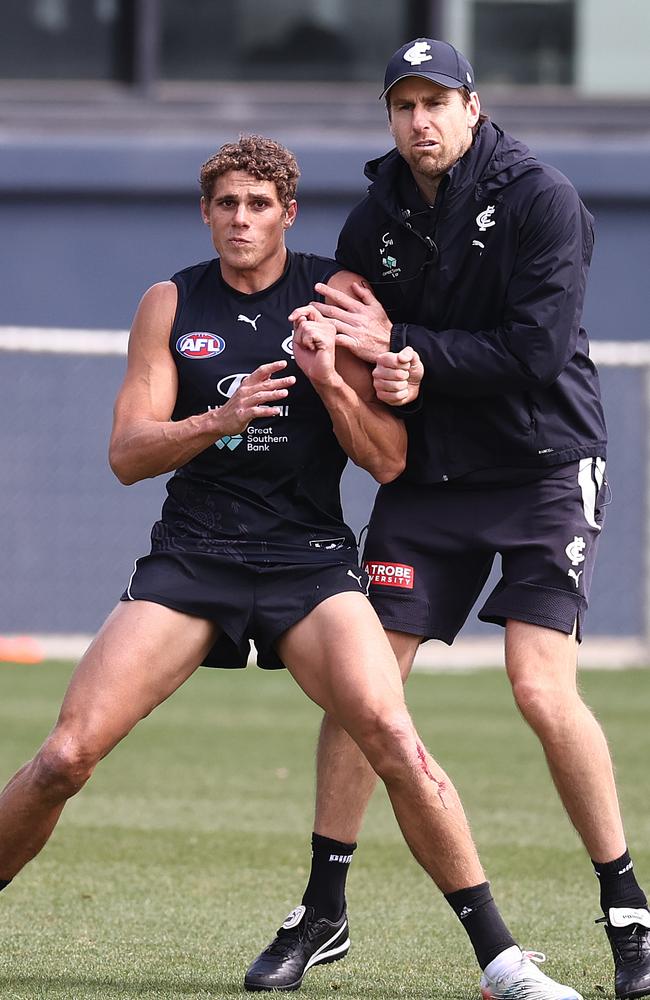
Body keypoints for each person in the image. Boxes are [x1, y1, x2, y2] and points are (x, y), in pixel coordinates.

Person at [0, 135, 580, 1000]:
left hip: (307, 560)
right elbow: (126, 453)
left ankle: (502, 964)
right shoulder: (168, 302)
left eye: (259, 205)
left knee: (394, 738)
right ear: (206, 213)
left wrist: (334, 382)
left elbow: (386, 461)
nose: (241, 219)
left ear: (288, 214)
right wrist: (219, 419)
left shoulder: (332, 298)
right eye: (226, 204)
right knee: (64, 758)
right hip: (194, 556)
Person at [246, 41, 650, 1000]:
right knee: (362, 686)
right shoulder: (374, 217)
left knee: (540, 689)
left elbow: (540, 350)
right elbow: (360, 338)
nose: (421, 121)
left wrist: (412, 352)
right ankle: (324, 908)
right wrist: (350, 361)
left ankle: (628, 913)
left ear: (474, 108)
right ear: (389, 117)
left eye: (438, 102)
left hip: (543, 464)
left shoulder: (542, 197)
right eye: (404, 105)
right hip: (430, 479)